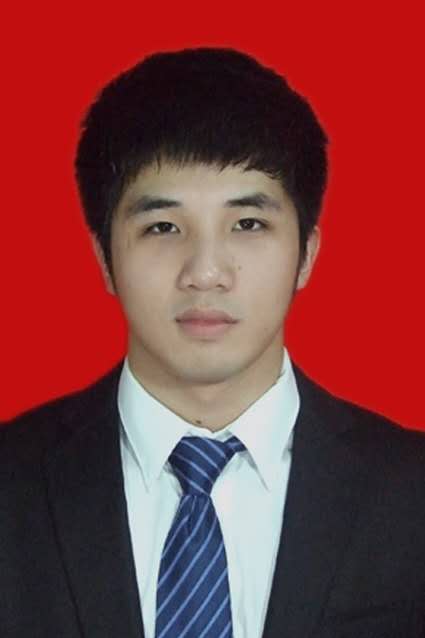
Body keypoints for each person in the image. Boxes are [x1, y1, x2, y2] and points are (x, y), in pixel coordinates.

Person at [1, 47, 424, 638]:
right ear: (104, 258)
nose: (205, 272)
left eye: (248, 224)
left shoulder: (411, 492)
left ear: (306, 253)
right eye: (163, 227)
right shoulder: (12, 484)